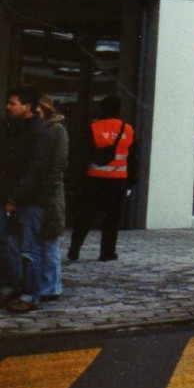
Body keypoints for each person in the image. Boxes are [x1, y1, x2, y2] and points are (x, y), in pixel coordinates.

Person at [0, 85, 53, 313]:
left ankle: (30, 295)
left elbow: (35, 169)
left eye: (13, 103)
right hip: (8, 196)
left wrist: (16, 196)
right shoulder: (11, 128)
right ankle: (11, 286)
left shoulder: (39, 133)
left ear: (27, 106)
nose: (8, 107)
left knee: (29, 249)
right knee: (6, 245)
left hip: (29, 199)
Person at [68, 95, 135, 263]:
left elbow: (82, 155)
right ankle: (107, 253)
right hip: (118, 180)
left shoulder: (93, 128)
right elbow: (134, 158)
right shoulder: (128, 129)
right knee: (111, 219)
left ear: (102, 109)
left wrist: (78, 180)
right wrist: (131, 182)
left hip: (94, 179)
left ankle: (74, 250)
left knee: (85, 217)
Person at [37, 95, 68, 302]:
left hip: (49, 192)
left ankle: (51, 286)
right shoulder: (35, 129)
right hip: (36, 192)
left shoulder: (56, 130)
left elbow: (59, 162)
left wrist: (50, 188)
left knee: (49, 240)